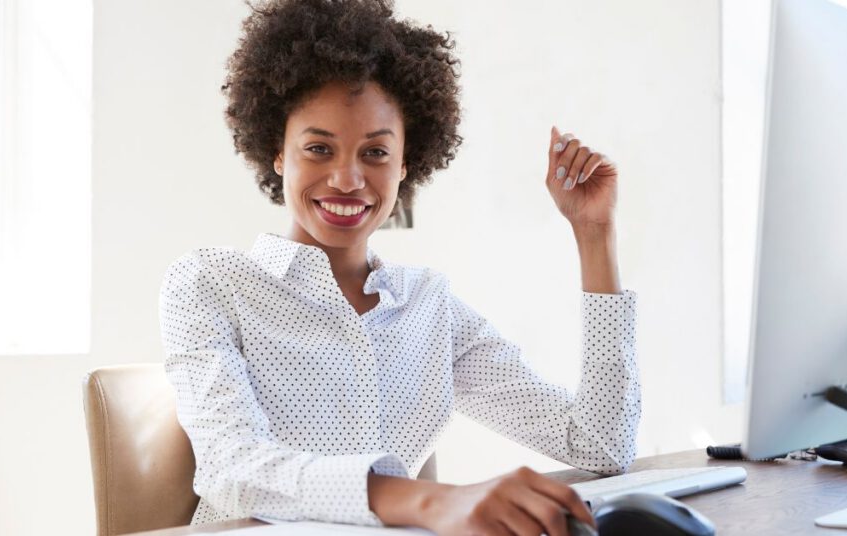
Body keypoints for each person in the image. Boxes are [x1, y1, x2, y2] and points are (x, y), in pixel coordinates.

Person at [158, 0, 640, 534]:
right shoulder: (209, 284)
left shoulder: (429, 307)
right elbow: (234, 471)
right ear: (278, 152)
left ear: (407, 163)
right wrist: (431, 501)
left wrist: (595, 237)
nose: (346, 179)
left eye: (375, 153)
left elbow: (600, 445)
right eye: (319, 148)